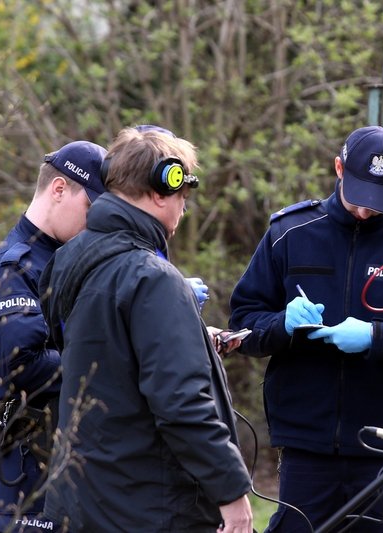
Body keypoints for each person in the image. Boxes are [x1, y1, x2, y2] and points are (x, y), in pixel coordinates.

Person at [39, 127, 253, 532]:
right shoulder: (153, 279)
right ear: (161, 191)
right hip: (147, 508)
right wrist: (231, 492)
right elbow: (181, 403)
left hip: (80, 500)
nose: (183, 210)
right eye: (183, 197)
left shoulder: (67, 259)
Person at [229, 125, 383, 531]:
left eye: (379, 199)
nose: (366, 211)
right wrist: (282, 324)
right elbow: (243, 326)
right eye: (360, 196)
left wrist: (377, 338)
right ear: (339, 168)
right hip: (307, 446)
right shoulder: (290, 233)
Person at [0, 140, 107, 533]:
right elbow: (22, 364)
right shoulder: (10, 269)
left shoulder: (69, 260)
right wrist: (109, 359)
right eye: (91, 209)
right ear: (59, 188)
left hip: (75, 464)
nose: (95, 223)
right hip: (34, 475)